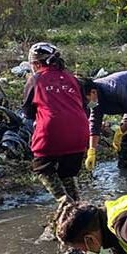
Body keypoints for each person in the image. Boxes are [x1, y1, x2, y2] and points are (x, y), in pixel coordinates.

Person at [22, 43, 89, 201]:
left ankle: (64, 203)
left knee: (42, 169)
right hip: (80, 132)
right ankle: (79, 207)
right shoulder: (72, 78)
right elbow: (84, 107)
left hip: (51, 132)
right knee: (68, 173)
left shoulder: (36, 79)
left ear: (36, 63)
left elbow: (27, 112)